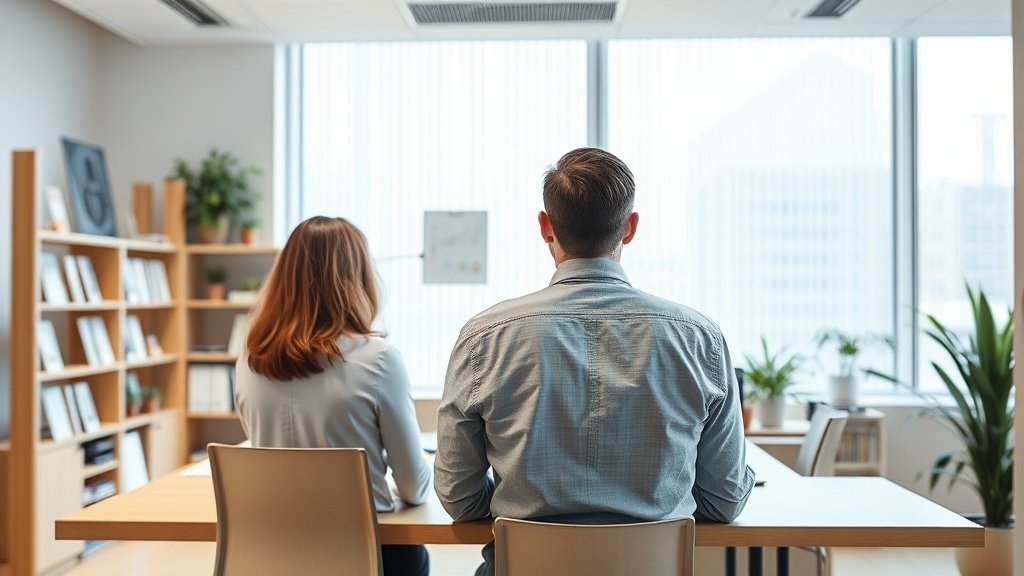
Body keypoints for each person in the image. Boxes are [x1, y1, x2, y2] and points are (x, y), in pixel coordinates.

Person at [434, 148, 755, 575]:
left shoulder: (483, 338)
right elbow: (725, 500)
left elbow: (458, 498)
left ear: (545, 226)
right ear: (630, 227)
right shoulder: (699, 339)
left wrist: (517, 501)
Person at [235, 216, 431, 576]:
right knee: (414, 556)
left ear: (283, 278)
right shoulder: (379, 359)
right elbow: (414, 488)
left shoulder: (249, 358)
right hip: (363, 558)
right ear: (358, 279)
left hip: (273, 554)